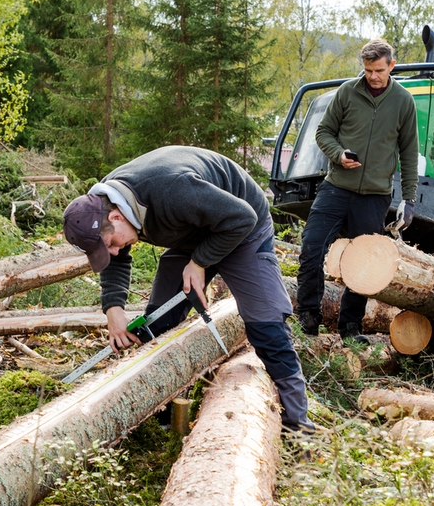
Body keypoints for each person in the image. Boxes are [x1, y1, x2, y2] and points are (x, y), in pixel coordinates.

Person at [62, 145, 310, 430]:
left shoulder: (173, 190)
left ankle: (299, 428)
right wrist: (114, 309)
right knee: (158, 325)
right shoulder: (106, 202)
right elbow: (115, 261)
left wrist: (199, 262)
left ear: (116, 217)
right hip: (192, 229)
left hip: (242, 227)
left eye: (111, 244)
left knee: (266, 326)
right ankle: (163, 418)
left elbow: (242, 217)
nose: (115, 252)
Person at [296, 38, 419, 338]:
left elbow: (409, 152)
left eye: (379, 70)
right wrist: (338, 154)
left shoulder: (404, 102)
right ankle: (308, 319)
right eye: (367, 70)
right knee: (312, 248)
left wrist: (410, 198)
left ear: (391, 66)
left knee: (363, 264)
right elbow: (323, 132)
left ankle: (350, 326)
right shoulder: (347, 93)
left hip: (375, 197)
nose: (373, 76)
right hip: (336, 188)